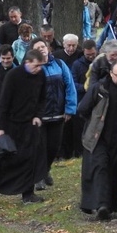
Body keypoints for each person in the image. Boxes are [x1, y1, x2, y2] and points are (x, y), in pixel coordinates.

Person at [79, 60, 117, 220]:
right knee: (101, 168)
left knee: (115, 170)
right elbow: (83, 109)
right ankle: (102, 205)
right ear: (111, 74)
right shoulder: (99, 88)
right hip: (98, 137)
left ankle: (111, 205)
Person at [0, 49, 47, 206]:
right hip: (10, 125)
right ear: (27, 62)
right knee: (5, 160)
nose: (39, 69)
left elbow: (42, 98)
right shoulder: (13, 76)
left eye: (41, 66)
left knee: (29, 159)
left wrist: (38, 115)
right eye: (36, 65)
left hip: (29, 125)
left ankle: (28, 193)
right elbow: (3, 102)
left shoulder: (40, 75)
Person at [29, 39, 76, 190]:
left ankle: (46, 170)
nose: (42, 49)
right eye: (38, 48)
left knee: (53, 147)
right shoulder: (32, 69)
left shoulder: (60, 65)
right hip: (39, 117)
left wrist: (70, 109)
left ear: (48, 48)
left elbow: (70, 86)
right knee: (40, 147)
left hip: (58, 115)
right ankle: (39, 177)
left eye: (43, 46)